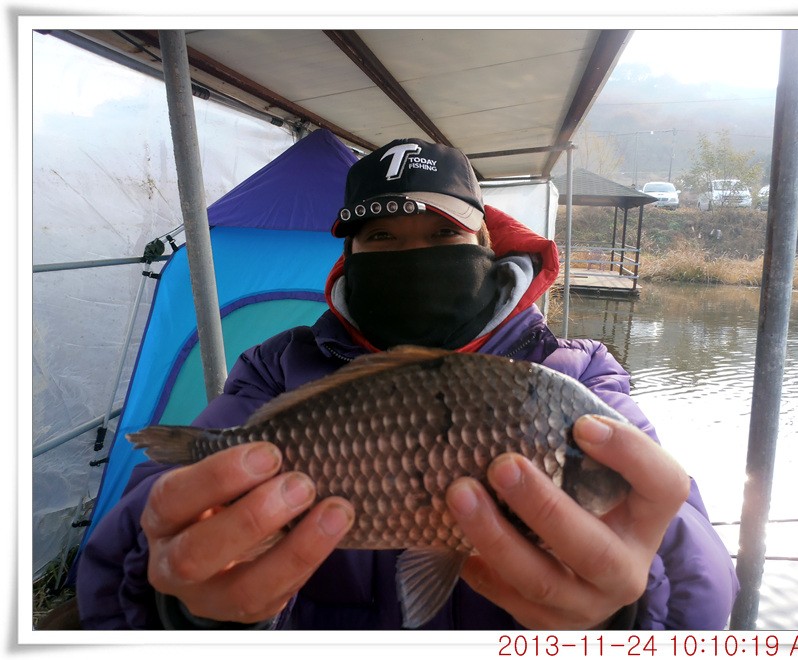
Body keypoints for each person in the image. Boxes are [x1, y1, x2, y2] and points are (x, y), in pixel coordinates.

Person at [75, 138, 738, 630]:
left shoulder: (578, 376)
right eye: (382, 235)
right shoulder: (272, 370)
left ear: (485, 241)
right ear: (348, 257)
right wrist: (183, 603)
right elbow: (139, 531)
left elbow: (690, 561)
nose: (412, 255)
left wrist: (628, 607)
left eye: (441, 231)